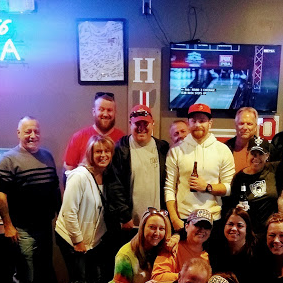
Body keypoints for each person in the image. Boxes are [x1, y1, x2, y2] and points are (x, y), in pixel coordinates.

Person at [0, 116, 61, 283]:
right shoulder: (8, 160)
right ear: (18, 133)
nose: (32, 135)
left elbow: (54, 189)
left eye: (36, 131)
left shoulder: (47, 156)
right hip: (22, 229)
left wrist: (60, 216)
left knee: (42, 272)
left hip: (44, 226)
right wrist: (8, 226)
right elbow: (0, 196)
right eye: (27, 132)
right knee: (26, 276)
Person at [55, 135, 117, 283]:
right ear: (90, 154)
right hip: (73, 237)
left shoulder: (106, 176)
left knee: (92, 279)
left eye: (106, 151)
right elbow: (68, 211)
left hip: (93, 239)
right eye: (98, 151)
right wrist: (78, 241)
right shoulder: (79, 176)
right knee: (78, 278)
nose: (103, 155)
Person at [164, 103, 235, 234]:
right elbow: (169, 188)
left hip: (213, 219)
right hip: (184, 219)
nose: (197, 125)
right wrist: (174, 219)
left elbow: (229, 188)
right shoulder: (176, 150)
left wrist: (207, 187)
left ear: (210, 123)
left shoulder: (223, 150)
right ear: (188, 123)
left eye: (202, 121)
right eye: (194, 121)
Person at [111, 105, 170, 241]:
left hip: (157, 224)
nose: (141, 128)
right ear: (130, 124)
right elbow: (115, 185)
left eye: (145, 124)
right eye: (137, 124)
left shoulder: (163, 148)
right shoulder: (121, 149)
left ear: (152, 123)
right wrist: (125, 216)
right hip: (131, 224)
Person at [104, 207, 172, 283]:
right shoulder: (125, 255)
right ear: (142, 227)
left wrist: (176, 237)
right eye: (152, 227)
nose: (157, 233)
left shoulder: (161, 248)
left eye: (161, 229)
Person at [223, 136, 279, 235]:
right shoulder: (239, 178)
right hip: (248, 232)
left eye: (260, 154)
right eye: (253, 154)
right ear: (247, 154)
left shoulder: (274, 170)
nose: (256, 158)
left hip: (270, 232)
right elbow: (230, 206)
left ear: (267, 156)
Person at [63, 92, 125, 175]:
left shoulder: (123, 139)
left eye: (109, 110)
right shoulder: (78, 137)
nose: (105, 114)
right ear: (94, 112)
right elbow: (68, 171)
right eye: (101, 109)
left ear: (115, 113)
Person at [151, 209, 211, 282]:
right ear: (186, 227)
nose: (202, 230)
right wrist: (186, 277)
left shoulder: (211, 257)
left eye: (207, 227)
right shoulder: (172, 247)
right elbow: (157, 276)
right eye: (197, 225)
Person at [225, 107, 259, 173]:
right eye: (241, 123)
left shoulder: (266, 149)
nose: (245, 127)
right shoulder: (225, 148)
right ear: (235, 125)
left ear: (255, 127)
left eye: (249, 124)